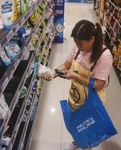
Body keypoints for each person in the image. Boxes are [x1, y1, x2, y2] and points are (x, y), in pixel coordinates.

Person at [42, 19, 113, 150]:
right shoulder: (77, 49)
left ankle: (85, 146)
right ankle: (77, 142)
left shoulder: (104, 55)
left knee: (87, 129)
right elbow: (66, 65)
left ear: (92, 39)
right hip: (76, 97)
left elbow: (99, 84)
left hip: (91, 102)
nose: (77, 45)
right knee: (76, 125)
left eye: (80, 43)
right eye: (75, 42)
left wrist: (75, 76)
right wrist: (53, 73)